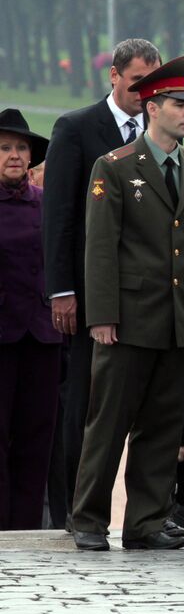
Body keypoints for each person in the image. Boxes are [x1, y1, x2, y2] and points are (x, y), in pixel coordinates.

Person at [69, 55, 184, 552]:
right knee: (108, 423)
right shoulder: (115, 165)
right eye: (178, 104)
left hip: (177, 319)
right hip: (128, 320)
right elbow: (100, 246)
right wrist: (102, 316)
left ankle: (147, 520)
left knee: (163, 425)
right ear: (153, 108)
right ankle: (88, 519)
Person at [41, 38, 163, 529]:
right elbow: (59, 215)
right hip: (89, 295)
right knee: (86, 403)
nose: (144, 93)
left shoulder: (160, 132)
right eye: (136, 82)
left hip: (147, 295)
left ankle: (148, 513)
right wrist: (62, 290)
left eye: (153, 85)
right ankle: (78, 507)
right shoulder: (76, 128)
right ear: (113, 76)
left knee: (149, 403)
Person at [0, 110, 63, 529]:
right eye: (5, 148)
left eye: (21, 148)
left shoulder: (47, 204)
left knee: (36, 437)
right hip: (1, 336)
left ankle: (25, 529)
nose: (15, 155)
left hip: (43, 336)